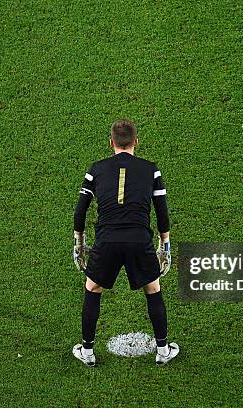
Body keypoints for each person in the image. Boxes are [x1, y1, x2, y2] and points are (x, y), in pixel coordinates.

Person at [72, 119, 179, 367]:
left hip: (106, 240)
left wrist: (79, 240)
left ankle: (87, 351)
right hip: (139, 240)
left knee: (93, 289)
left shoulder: (95, 170)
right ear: (136, 142)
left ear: (111, 143)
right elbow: (162, 212)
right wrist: (165, 244)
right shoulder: (151, 170)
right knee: (153, 289)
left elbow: (80, 211)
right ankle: (163, 350)